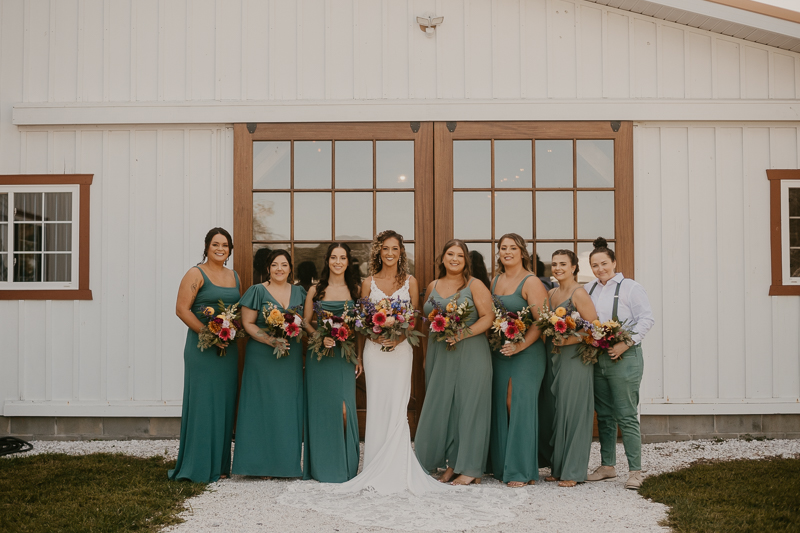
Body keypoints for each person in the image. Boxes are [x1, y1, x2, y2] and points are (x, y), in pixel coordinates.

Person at [339, 230, 448, 494]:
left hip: (401, 352)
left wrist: (399, 339)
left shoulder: (410, 281)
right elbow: (362, 323)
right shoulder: (368, 283)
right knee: (377, 404)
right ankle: (375, 466)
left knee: (398, 405)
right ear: (379, 252)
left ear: (401, 252)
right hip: (374, 353)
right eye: (385, 249)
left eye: (395, 249)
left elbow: (412, 319)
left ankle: (398, 469)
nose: (390, 253)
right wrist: (363, 351)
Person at [415, 239, 494, 486]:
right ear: (443, 258)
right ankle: (449, 465)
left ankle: (470, 468)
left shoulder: (475, 285)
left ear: (466, 260)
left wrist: (462, 333)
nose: (455, 259)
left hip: (471, 352)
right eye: (450, 254)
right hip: (440, 354)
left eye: (460, 255)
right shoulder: (433, 285)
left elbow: (489, 317)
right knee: (441, 410)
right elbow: (425, 324)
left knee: (468, 409)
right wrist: (427, 356)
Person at [169, 228, 241, 483]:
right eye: (215, 244)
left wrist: (229, 332)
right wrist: (208, 334)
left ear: (230, 250)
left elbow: (236, 312)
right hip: (202, 348)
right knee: (202, 405)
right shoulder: (195, 273)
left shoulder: (235, 276)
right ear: (207, 247)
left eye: (225, 245)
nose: (220, 249)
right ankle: (197, 466)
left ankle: (220, 465)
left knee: (223, 405)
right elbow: (181, 309)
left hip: (227, 351)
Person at [584, 237, 654, 490]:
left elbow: (646, 319)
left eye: (604, 263)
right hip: (598, 358)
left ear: (614, 262)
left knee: (625, 414)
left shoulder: (631, 288)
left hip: (625, 357)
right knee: (603, 415)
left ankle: (636, 471)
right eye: (595, 265)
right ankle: (607, 466)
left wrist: (627, 342)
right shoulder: (589, 288)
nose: (600, 269)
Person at [232, 250, 305, 478]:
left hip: (290, 358)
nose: (280, 269)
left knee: (286, 407)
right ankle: (257, 465)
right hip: (263, 356)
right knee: (260, 407)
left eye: (284, 264)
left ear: (290, 268)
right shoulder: (257, 291)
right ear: (268, 268)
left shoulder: (300, 292)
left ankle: (285, 465)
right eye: (275, 265)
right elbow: (248, 323)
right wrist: (272, 340)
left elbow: (308, 321)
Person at [488, 234, 549, 487]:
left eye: (513, 248)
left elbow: (543, 322)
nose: (507, 252)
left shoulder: (531, 281)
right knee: (501, 403)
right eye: (503, 248)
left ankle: (523, 469)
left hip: (527, 354)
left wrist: (520, 344)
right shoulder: (495, 280)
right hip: (501, 352)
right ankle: (504, 465)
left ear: (522, 252)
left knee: (517, 403)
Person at [303, 243, 363, 483]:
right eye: (334, 257)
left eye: (343, 258)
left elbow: (360, 329)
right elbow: (306, 322)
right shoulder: (315, 290)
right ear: (327, 260)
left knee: (345, 408)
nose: (338, 262)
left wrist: (358, 356)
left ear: (348, 262)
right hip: (320, 357)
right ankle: (323, 467)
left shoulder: (356, 290)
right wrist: (320, 336)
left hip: (345, 356)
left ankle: (346, 467)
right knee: (322, 409)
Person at [543, 249, 598, 487]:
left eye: (563, 264)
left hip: (575, 358)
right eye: (554, 264)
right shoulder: (552, 292)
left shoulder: (579, 293)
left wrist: (568, 340)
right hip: (553, 356)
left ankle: (574, 471)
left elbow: (595, 330)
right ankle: (558, 467)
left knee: (573, 412)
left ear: (574, 267)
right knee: (557, 411)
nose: (557, 268)